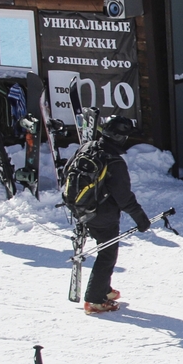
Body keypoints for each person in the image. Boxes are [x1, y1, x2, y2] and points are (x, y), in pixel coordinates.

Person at [76, 115, 153, 314]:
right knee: (107, 253)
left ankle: (103, 289)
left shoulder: (87, 148)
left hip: (82, 208)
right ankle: (95, 300)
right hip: (102, 213)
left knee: (104, 248)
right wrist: (141, 218)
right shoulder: (114, 162)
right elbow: (124, 197)